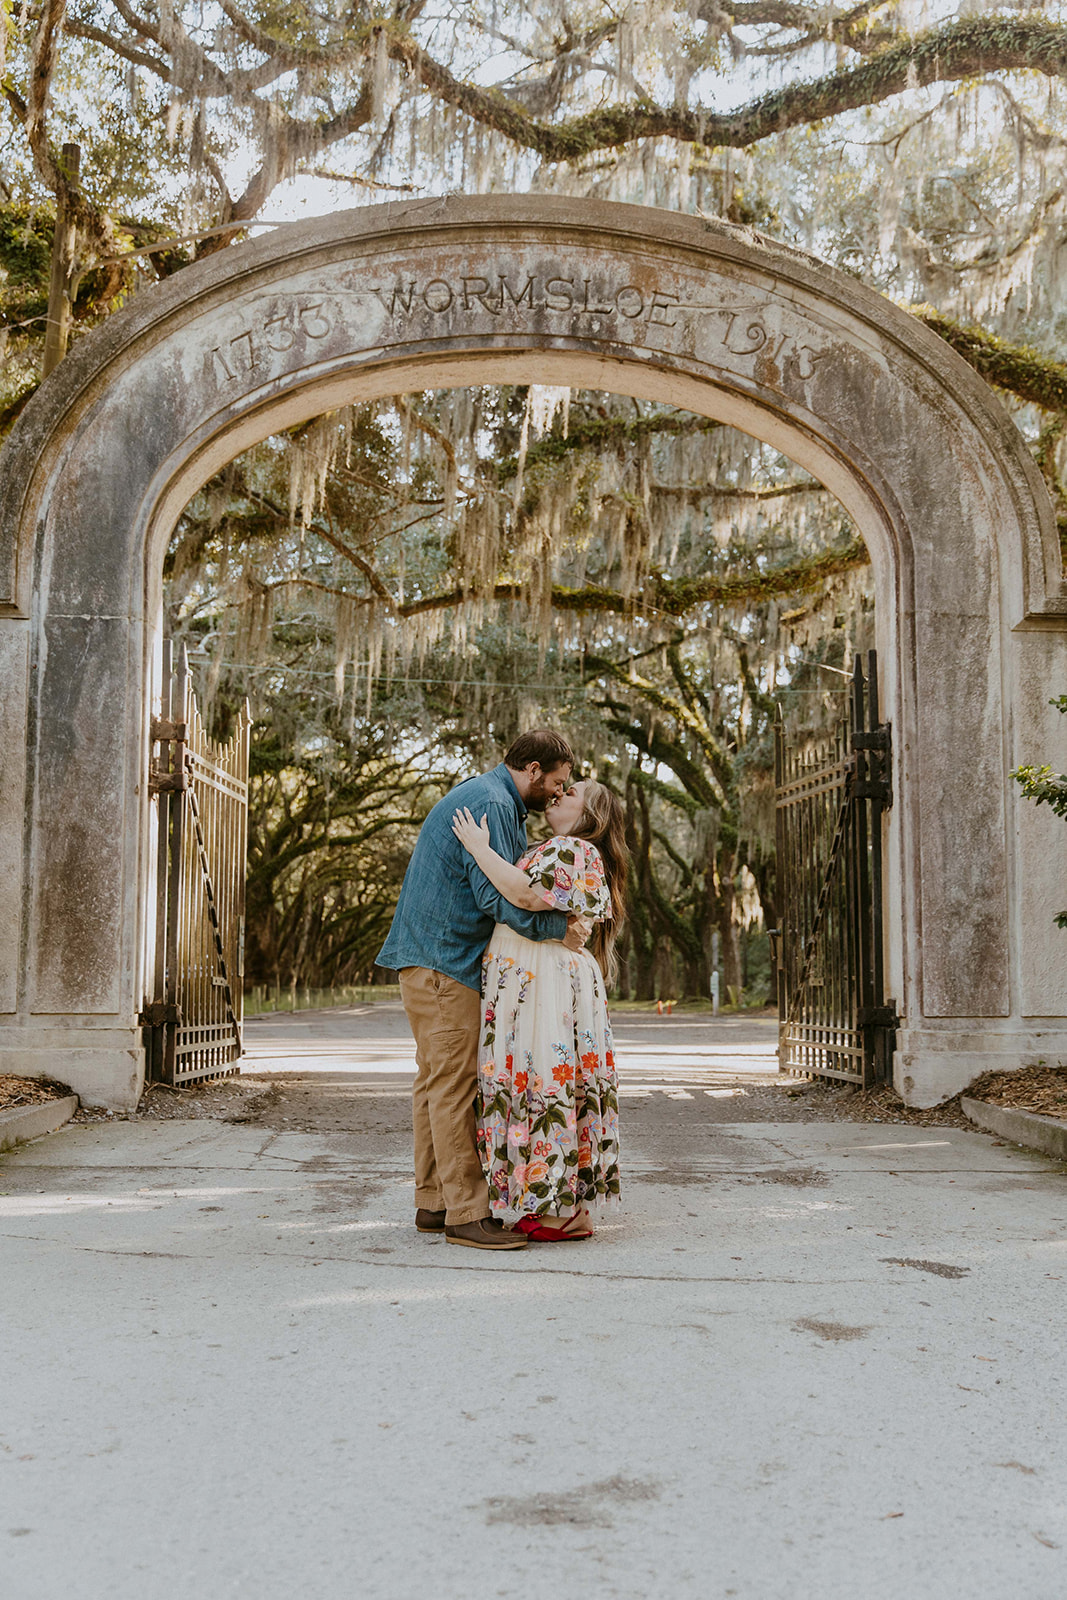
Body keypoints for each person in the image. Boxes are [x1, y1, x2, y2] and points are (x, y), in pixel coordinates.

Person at [376, 731, 591, 1251]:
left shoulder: (495, 801)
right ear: (534, 769)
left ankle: (435, 1202)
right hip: (444, 965)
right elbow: (494, 896)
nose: (559, 795)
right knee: (453, 1086)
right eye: (558, 783)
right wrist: (556, 930)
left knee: (434, 1083)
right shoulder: (492, 802)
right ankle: (466, 1215)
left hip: (430, 962)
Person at [451, 778, 628, 1241]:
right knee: (532, 1080)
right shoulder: (556, 846)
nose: (558, 794)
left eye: (571, 793)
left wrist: (477, 847)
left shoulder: (575, 848)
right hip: (531, 971)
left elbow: (527, 896)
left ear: (591, 815)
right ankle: (549, 1201)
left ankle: (566, 1211)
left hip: (543, 977)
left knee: (544, 1080)